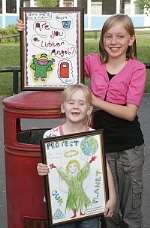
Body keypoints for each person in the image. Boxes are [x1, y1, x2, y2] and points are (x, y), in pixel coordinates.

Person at [84, 14, 147, 228]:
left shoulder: (137, 68)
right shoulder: (92, 62)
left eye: (120, 36)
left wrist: (95, 101)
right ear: (102, 40)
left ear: (131, 39)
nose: (114, 42)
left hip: (129, 147)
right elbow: (64, 54)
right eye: (108, 36)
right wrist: (28, 32)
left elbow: (130, 113)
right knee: (107, 209)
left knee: (130, 209)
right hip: (99, 145)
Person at [37, 84, 116, 228]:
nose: (75, 107)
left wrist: (112, 197)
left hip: (91, 205)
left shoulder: (93, 138)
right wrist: (41, 169)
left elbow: (103, 165)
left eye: (81, 103)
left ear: (89, 109)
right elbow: (48, 168)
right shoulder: (50, 136)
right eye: (71, 102)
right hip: (60, 207)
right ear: (63, 107)